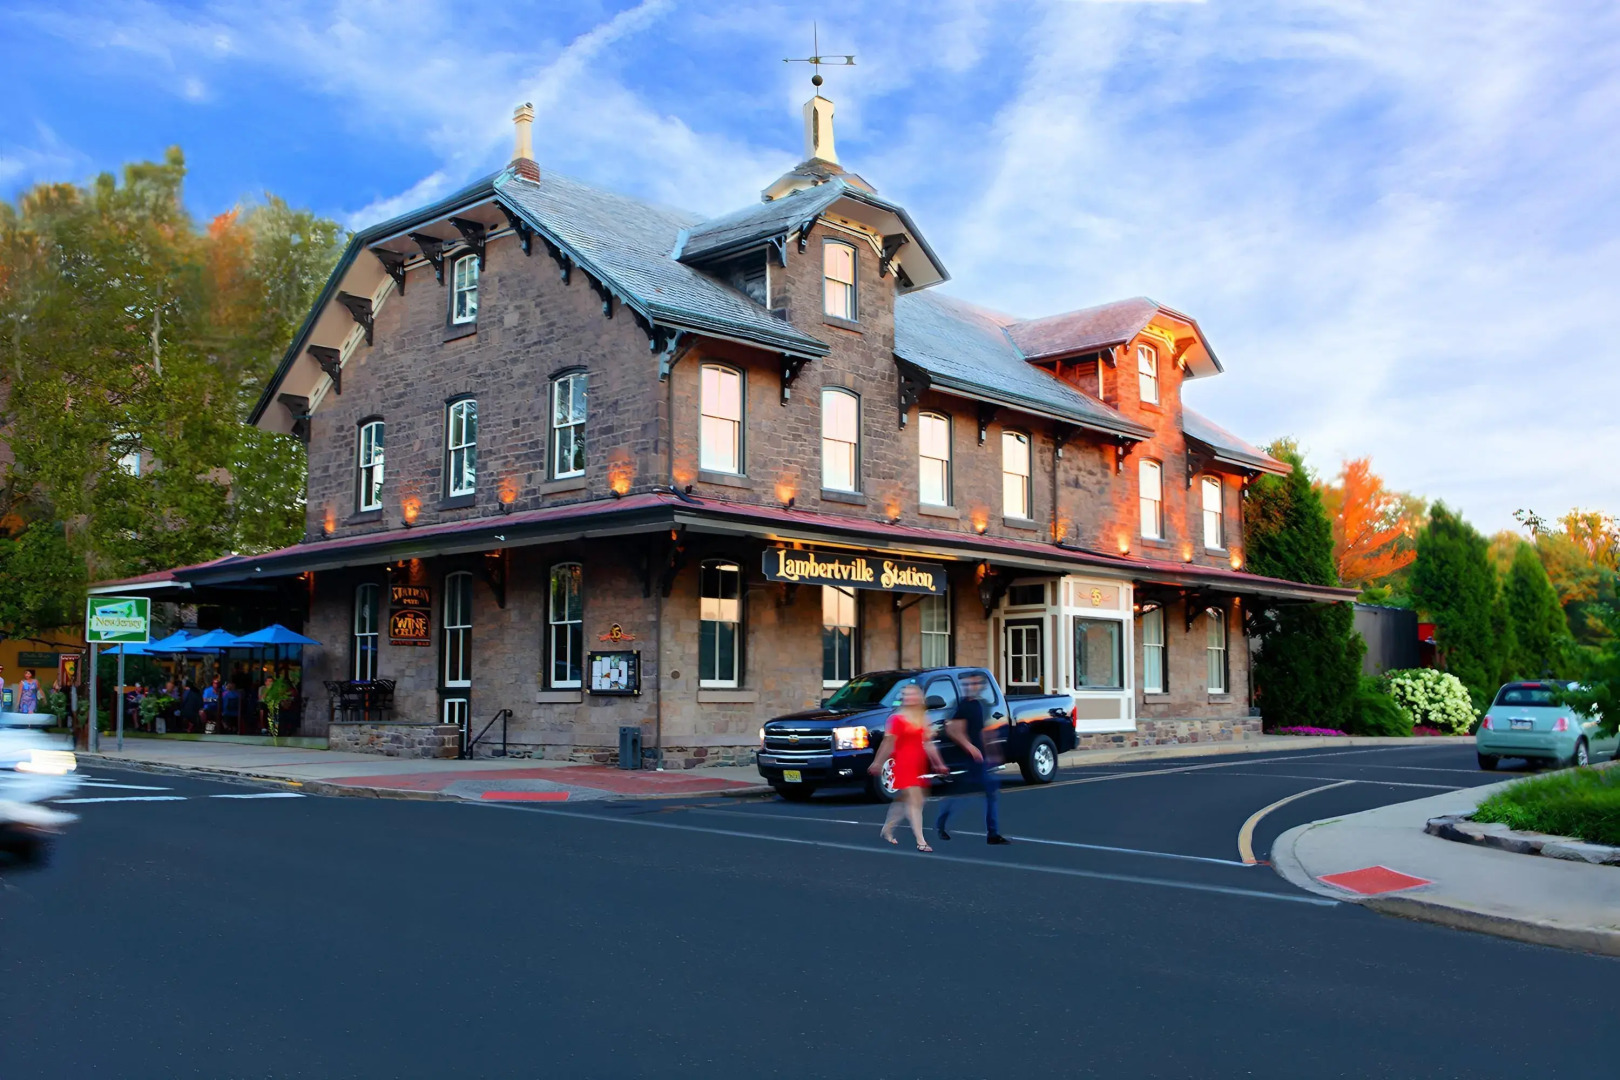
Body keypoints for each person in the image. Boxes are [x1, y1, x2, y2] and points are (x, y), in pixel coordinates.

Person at [868, 683, 947, 852]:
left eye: (913, 694)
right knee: (915, 799)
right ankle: (921, 840)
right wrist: (878, 762)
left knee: (906, 799)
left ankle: (887, 829)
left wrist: (938, 763)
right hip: (903, 762)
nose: (910, 698)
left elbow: (928, 743)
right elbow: (888, 743)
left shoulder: (922, 717)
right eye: (906, 695)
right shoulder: (896, 718)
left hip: (918, 763)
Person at [935, 671, 1010, 845]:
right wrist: (970, 748)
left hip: (978, 760)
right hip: (967, 759)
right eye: (967, 685)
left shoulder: (978, 704)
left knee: (981, 792)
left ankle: (992, 833)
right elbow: (952, 729)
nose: (969, 688)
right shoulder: (964, 706)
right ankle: (942, 823)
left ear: (980, 687)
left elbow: (981, 731)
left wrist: (992, 751)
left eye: (973, 684)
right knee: (964, 793)